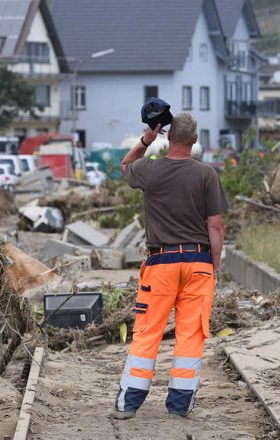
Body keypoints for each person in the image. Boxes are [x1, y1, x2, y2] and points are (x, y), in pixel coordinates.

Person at [113, 112, 229, 419]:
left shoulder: (150, 169)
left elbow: (124, 166)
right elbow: (216, 227)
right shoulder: (206, 175)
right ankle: (179, 406)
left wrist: (144, 141)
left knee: (148, 331)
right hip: (198, 263)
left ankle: (129, 403)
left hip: (161, 262)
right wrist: (212, 268)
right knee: (191, 334)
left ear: (167, 136)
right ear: (195, 140)